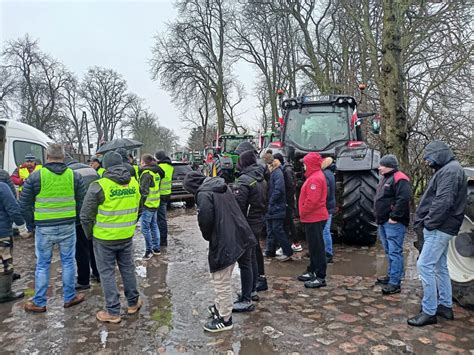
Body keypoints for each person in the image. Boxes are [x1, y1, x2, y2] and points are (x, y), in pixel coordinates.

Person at [183, 172, 256, 332]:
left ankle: (225, 318)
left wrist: (211, 238)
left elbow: (206, 221)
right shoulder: (221, 186)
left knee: (220, 278)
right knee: (240, 268)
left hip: (226, 239)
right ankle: (223, 305)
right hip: (242, 232)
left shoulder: (203, 194)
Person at [20, 144, 86, 313]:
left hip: (44, 227)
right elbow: (82, 202)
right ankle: (69, 297)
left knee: (42, 264)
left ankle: (40, 301)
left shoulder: (36, 177)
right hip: (67, 226)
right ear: (63, 157)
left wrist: (31, 224)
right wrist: (75, 219)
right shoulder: (74, 176)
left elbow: (24, 204)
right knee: (68, 262)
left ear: (47, 157)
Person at [408, 141, 467, 327]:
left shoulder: (450, 171)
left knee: (424, 265)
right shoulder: (451, 169)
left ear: (439, 154)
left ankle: (429, 311)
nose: (426, 162)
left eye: (428, 158)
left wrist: (429, 224)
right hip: (444, 227)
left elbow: (443, 202)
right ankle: (445, 306)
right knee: (441, 266)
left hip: (439, 228)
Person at [80, 151, 142, 324]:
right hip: (126, 235)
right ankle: (133, 303)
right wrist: (129, 224)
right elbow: (140, 208)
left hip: (104, 238)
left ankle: (113, 312)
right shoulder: (134, 184)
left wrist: (89, 235)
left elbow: (85, 216)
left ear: (104, 166)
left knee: (106, 273)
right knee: (128, 269)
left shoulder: (99, 185)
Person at [232, 149, 268, 309]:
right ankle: (252, 290)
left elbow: (238, 207)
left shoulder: (244, 181)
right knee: (252, 256)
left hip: (246, 225)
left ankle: (246, 299)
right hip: (257, 221)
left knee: (245, 261)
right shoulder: (261, 178)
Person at [373, 154, 412, 295]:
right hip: (383, 221)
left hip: (393, 223)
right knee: (390, 251)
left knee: (395, 252)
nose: (379, 167)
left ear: (389, 165)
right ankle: (391, 276)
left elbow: (404, 199)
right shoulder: (386, 178)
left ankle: (395, 283)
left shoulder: (400, 178)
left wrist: (394, 217)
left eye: (381, 165)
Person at [65, 157, 101, 288]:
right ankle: (98, 274)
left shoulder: (67, 172)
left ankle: (83, 280)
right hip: (95, 213)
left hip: (79, 215)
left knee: (81, 248)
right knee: (94, 245)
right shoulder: (92, 170)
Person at [297, 152, 328, 288]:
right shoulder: (314, 177)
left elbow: (312, 200)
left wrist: (302, 211)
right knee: (314, 247)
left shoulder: (315, 179)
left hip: (314, 217)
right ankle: (313, 270)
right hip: (312, 217)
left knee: (317, 247)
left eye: (305, 163)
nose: (303, 166)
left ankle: (320, 276)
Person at [0, 181, 30, 303]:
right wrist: (22, 227)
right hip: (1, 232)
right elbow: (13, 208)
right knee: (5, 262)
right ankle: (4, 293)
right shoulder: (2, 187)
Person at [264, 156, 293, 261]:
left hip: (276, 206)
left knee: (277, 229)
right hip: (272, 207)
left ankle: (287, 251)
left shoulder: (277, 173)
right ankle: (270, 250)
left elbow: (279, 189)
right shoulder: (274, 173)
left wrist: (271, 202)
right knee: (270, 229)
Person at [273, 153, 300, 254]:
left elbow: (289, 187)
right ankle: (292, 243)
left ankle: (293, 244)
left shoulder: (286, 171)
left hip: (287, 201)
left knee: (287, 222)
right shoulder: (285, 169)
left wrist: (287, 202)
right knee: (287, 222)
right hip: (287, 201)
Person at [139, 154, 164, 260]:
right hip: (155, 203)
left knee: (145, 229)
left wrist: (140, 205)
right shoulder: (156, 171)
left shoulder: (147, 173)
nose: (140, 163)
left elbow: (143, 191)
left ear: (144, 162)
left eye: (141, 161)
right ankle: (156, 249)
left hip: (147, 204)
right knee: (154, 226)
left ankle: (148, 251)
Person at [155, 151, 174, 247]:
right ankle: (163, 240)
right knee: (162, 219)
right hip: (167, 194)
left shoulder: (159, 168)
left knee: (160, 220)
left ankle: (162, 241)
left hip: (160, 195)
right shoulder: (170, 166)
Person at [321, 157, 336, 264]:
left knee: (325, 231)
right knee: (324, 230)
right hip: (329, 205)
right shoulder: (330, 173)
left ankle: (328, 253)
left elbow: (326, 193)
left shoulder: (325, 174)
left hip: (326, 207)